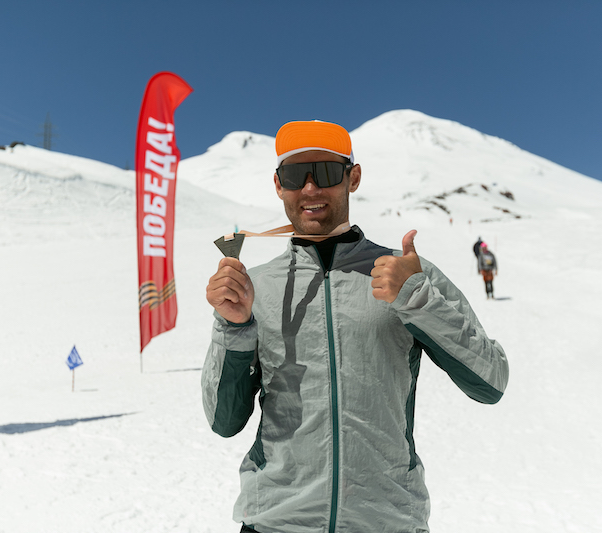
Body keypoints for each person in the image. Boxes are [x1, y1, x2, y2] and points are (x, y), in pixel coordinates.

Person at [202, 120, 509, 533]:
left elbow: (491, 382)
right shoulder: (255, 288)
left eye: (327, 172)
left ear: (353, 178)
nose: (310, 188)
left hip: (387, 522)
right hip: (275, 523)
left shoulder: (406, 274)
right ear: (278, 185)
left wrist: (417, 299)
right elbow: (224, 421)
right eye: (295, 175)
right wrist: (233, 326)